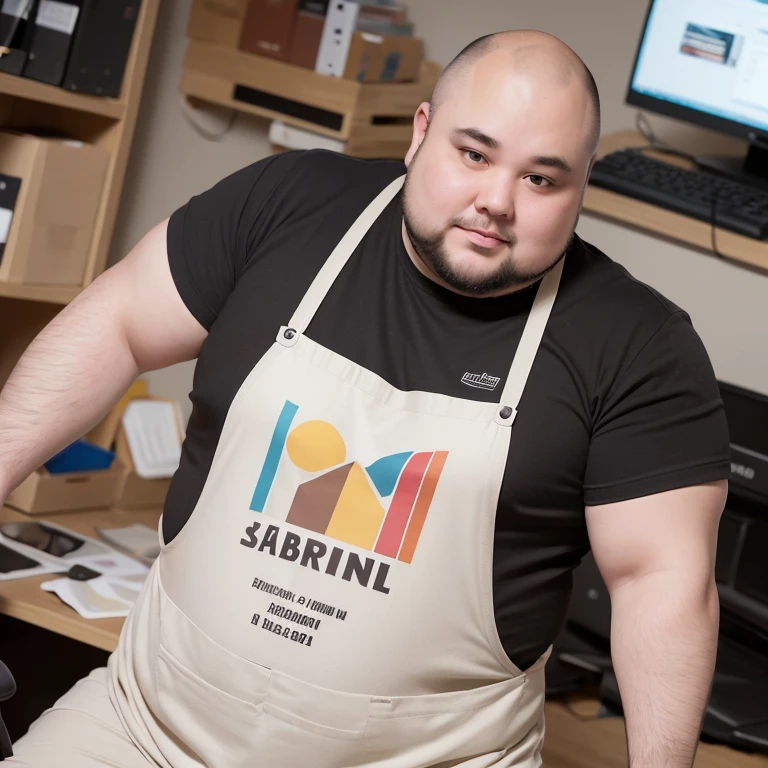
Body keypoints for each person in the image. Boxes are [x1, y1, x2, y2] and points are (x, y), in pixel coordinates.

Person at [0, 28, 729, 768]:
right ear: (421, 133)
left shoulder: (637, 345)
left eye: (542, 179)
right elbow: (119, 321)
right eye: (473, 154)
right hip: (147, 727)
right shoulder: (290, 205)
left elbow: (660, 581)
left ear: (583, 182)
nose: (496, 201)